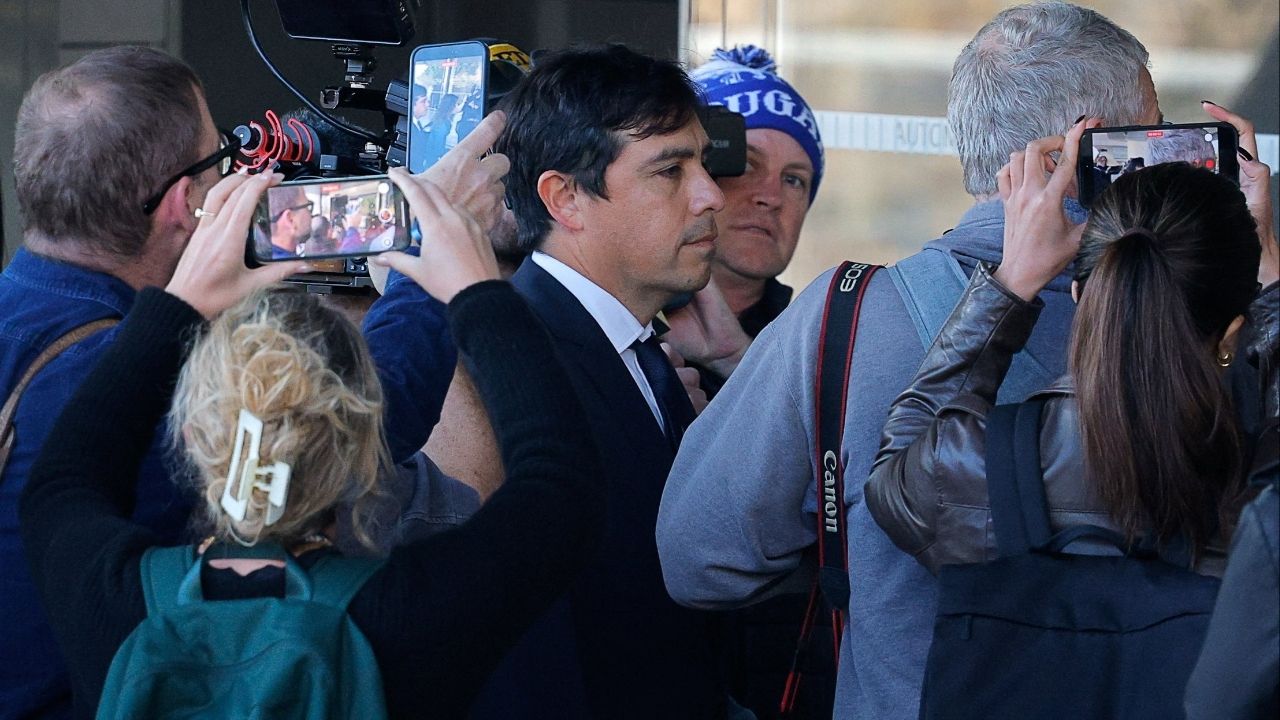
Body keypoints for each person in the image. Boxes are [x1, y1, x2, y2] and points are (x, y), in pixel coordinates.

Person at [657, 4, 1162, 717]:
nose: (1169, 155)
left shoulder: (847, 316)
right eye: (1153, 132)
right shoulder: (1196, 319)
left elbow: (699, 557)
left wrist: (857, 549)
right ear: (1077, 150)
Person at [0, 46, 509, 718]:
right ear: (183, 202)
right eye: (220, 159)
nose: (238, 175)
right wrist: (436, 240)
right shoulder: (126, 375)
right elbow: (361, 425)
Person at [18, 166, 606, 719]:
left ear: (191, 436)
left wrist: (183, 299)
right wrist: (475, 287)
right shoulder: (406, 618)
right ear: (364, 451)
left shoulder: (104, 601)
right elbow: (559, 487)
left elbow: (67, 471)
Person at [864, 118, 1276, 575]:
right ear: (1233, 332)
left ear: (1082, 296)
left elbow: (892, 486)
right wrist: (1271, 284)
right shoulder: (1264, 477)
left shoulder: (986, 465)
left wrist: (1013, 278)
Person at [466, 45, 729, 719]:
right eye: (669, 170)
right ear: (566, 198)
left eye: (703, 162)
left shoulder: (649, 351)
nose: (711, 194)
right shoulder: (505, 360)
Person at [664, 45, 824, 402]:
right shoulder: (607, 315)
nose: (771, 196)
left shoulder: (823, 346)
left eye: (794, 179)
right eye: (747, 165)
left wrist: (738, 358)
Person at [266, 185, 314, 258]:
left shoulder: (264, 254)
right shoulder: (291, 263)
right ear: (290, 219)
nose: (310, 215)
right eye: (307, 206)